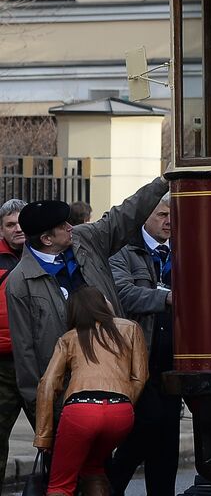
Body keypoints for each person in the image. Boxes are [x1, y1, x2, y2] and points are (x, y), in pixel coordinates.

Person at [6, 177, 168, 414]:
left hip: (114, 378)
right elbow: (25, 352)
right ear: (46, 239)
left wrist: (162, 182)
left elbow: (123, 216)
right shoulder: (21, 282)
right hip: (68, 393)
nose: (71, 227)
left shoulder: (85, 239)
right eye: (62, 226)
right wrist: (41, 411)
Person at [25, 287, 147, 496]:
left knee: (61, 480)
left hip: (81, 410)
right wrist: (124, 404)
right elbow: (140, 377)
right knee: (94, 468)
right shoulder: (130, 329)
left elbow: (47, 386)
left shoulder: (69, 338)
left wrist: (43, 435)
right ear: (104, 304)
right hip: (120, 412)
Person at [107, 196, 191, 496]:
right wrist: (168, 297)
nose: (168, 221)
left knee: (167, 441)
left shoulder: (181, 249)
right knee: (147, 423)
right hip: (137, 357)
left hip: (172, 357)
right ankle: (112, 481)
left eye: (173, 215)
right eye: (161, 215)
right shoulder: (123, 251)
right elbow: (123, 293)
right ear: (145, 217)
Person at [0, 197, 26, 491]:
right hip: (3, 364)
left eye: (21, 223)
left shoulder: (49, 254)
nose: (17, 228)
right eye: (10, 225)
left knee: (55, 439)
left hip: (40, 362)